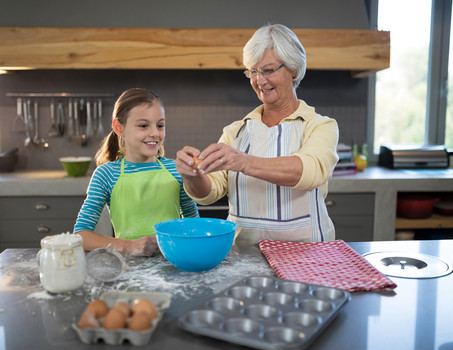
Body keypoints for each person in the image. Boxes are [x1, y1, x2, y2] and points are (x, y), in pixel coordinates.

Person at [176, 24, 339, 244]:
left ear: (294, 69)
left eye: (269, 70)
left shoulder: (319, 126)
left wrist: (242, 162)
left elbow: (311, 171)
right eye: (253, 71)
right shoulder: (236, 132)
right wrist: (192, 175)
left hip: (307, 256)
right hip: (245, 257)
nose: (259, 81)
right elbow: (209, 193)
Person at [74, 88, 199, 255]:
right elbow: (81, 235)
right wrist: (127, 246)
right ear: (119, 128)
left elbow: (194, 226)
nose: (155, 133)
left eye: (160, 125)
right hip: (129, 269)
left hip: (174, 265)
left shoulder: (176, 169)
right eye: (143, 125)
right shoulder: (106, 174)